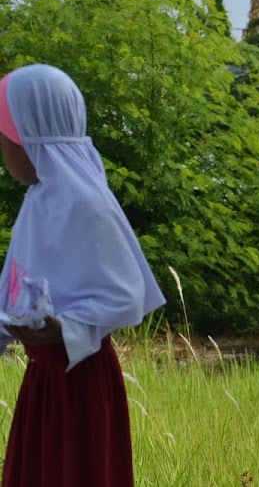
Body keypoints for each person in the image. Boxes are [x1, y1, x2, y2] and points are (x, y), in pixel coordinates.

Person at [0, 64, 167, 487]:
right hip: (45, 382)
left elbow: (126, 296)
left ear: (30, 134)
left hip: (81, 384)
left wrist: (64, 329)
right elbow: (14, 290)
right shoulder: (39, 203)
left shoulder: (85, 203)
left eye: (6, 136)